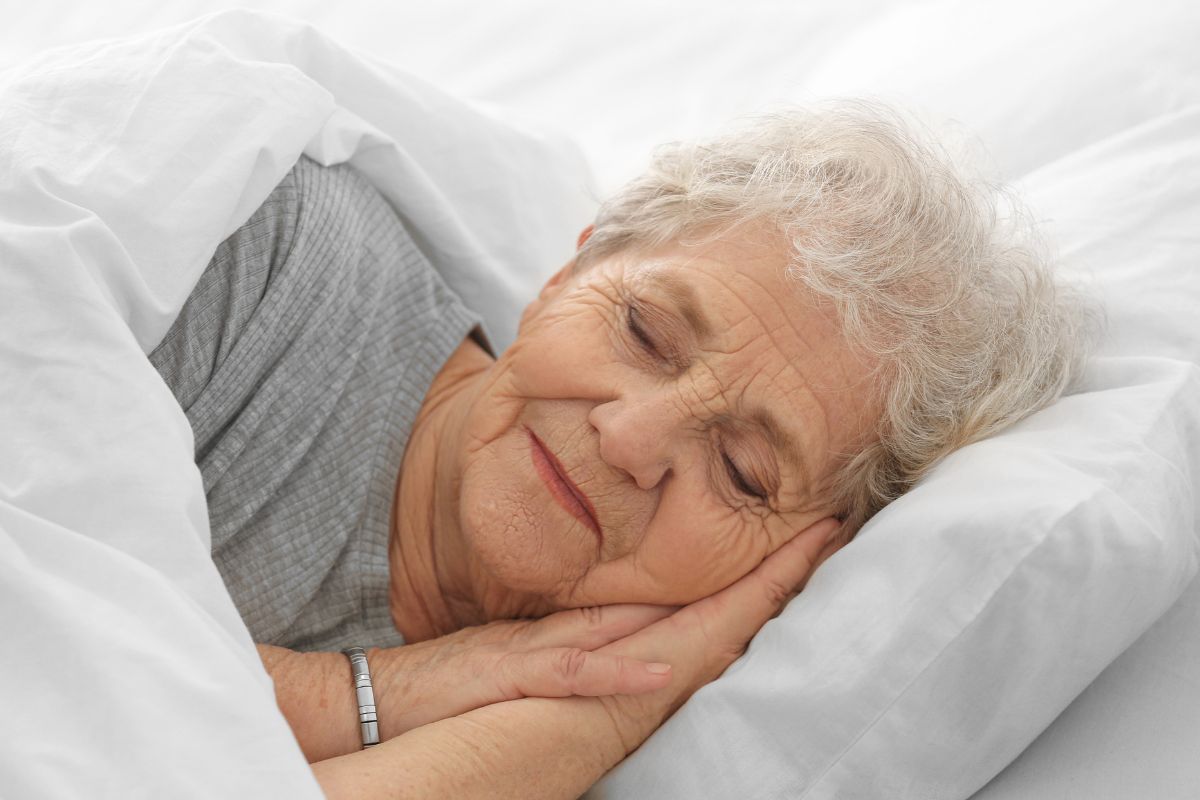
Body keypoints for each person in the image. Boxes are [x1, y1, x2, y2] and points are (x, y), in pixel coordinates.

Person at [148, 101, 1088, 798]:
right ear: (569, 273)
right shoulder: (257, 255)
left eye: (744, 472)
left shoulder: (628, 729)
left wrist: (609, 712)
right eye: (644, 332)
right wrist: (375, 693)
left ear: (805, 562)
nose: (629, 437)